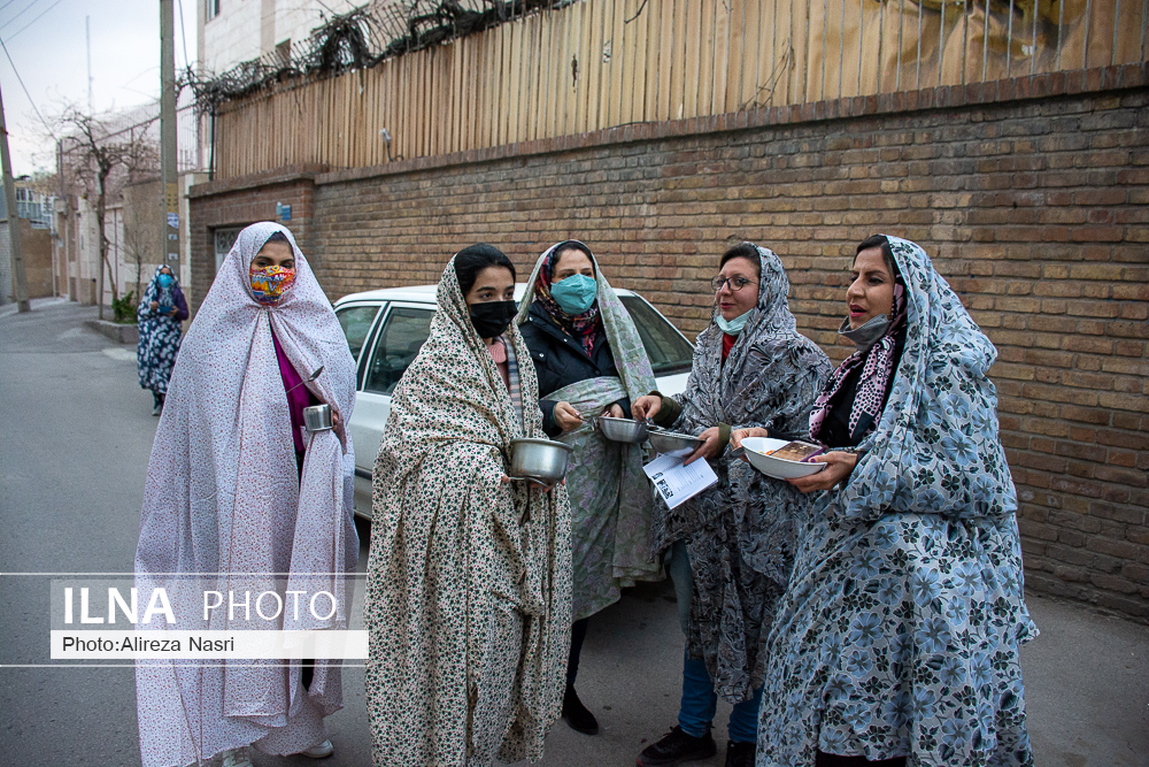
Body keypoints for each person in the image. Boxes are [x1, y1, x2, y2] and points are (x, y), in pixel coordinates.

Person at [740, 235, 1035, 766]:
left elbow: (980, 482)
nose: (855, 290)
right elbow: (847, 446)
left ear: (909, 291)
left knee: (867, 736)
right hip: (834, 575)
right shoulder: (864, 363)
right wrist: (810, 456)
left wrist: (859, 466)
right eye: (853, 277)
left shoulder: (943, 370)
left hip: (904, 602)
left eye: (874, 280)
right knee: (818, 720)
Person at [134, 222, 358, 767]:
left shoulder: (315, 324)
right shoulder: (210, 337)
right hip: (233, 509)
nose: (276, 273)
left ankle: (295, 728)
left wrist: (326, 428)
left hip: (306, 502)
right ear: (240, 264)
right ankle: (229, 735)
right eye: (264, 262)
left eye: (285, 262)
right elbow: (195, 439)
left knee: (299, 618)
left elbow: (341, 399)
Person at [365, 244, 572, 766]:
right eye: (486, 295)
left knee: (501, 667)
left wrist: (537, 440)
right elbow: (407, 458)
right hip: (459, 557)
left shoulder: (516, 354)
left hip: (518, 540)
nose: (500, 306)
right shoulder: (434, 366)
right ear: (459, 299)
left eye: (508, 294)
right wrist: (485, 474)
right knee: (459, 667)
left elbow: (513, 428)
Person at [631, 243, 831, 767]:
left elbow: (811, 442)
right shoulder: (705, 344)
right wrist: (668, 406)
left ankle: (748, 738)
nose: (725, 291)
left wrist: (738, 438)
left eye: (739, 282)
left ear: (769, 291)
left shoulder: (800, 357)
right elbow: (700, 412)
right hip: (701, 510)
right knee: (702, 621)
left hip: (763, 521)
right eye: (720, 280)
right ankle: (694, 729)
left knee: (756, 627)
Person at [516, 239, 663, 735]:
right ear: (546, 281)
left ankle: (563, 687)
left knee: (577, 591)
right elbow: (510, 406)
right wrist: (547, 414)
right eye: (567, 274)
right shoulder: (525, 335)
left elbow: (635, 385)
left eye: (586, 271)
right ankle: (514, 686)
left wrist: (624, 402)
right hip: (553, 483)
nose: (579, 282)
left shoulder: (612, 329)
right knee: (537, 588)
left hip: (604, 482)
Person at [136, 264, 188, 415]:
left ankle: (169, 400)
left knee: (171, 368)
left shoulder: (176, 293)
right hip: (155, 339)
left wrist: (176, 312)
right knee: (155, 369)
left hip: (171, 338)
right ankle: (158, 400)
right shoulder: (152, 293)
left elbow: (185, 314)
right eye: (162, 274)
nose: (164, 278)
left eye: (168, 274)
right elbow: (142, 313)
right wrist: (151, 309)